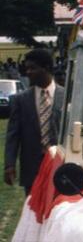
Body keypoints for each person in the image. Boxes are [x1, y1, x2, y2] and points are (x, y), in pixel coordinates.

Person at [4, 49, 65, 194]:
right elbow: (13, 135)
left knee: (59, 210)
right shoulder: (21, 99)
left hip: (60, 165)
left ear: (46, 68)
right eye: (27, 68)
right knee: (33, 212)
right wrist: (9, 165)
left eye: (33, 68)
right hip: (32, 167)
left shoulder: (67, 95)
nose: (28, 72)